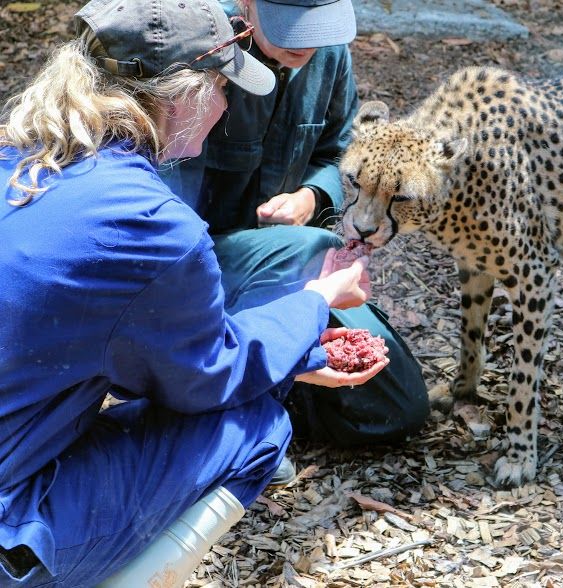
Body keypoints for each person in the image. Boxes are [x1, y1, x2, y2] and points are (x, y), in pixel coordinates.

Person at [0, 0, 386, 584]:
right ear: (183, 96)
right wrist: (316, 302)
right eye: (223, 87)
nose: (229, 104)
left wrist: (296, 348)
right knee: (258, 428)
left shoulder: (20, 157)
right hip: (11, 520)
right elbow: (207, 380)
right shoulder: (149, 222)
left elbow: (137, 361)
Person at [159, 0, 429, 459]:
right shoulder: (202, 48)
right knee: (314, 244)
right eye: (289, 26)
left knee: (398, 407)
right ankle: (236, 414)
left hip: (290, 263)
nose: (306, 42)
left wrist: (311, 197)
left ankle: (275, 391)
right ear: (246, 4)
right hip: (197, 269)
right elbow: (168, 209)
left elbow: (336, 152)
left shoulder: (330, 55)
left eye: (318, 26)